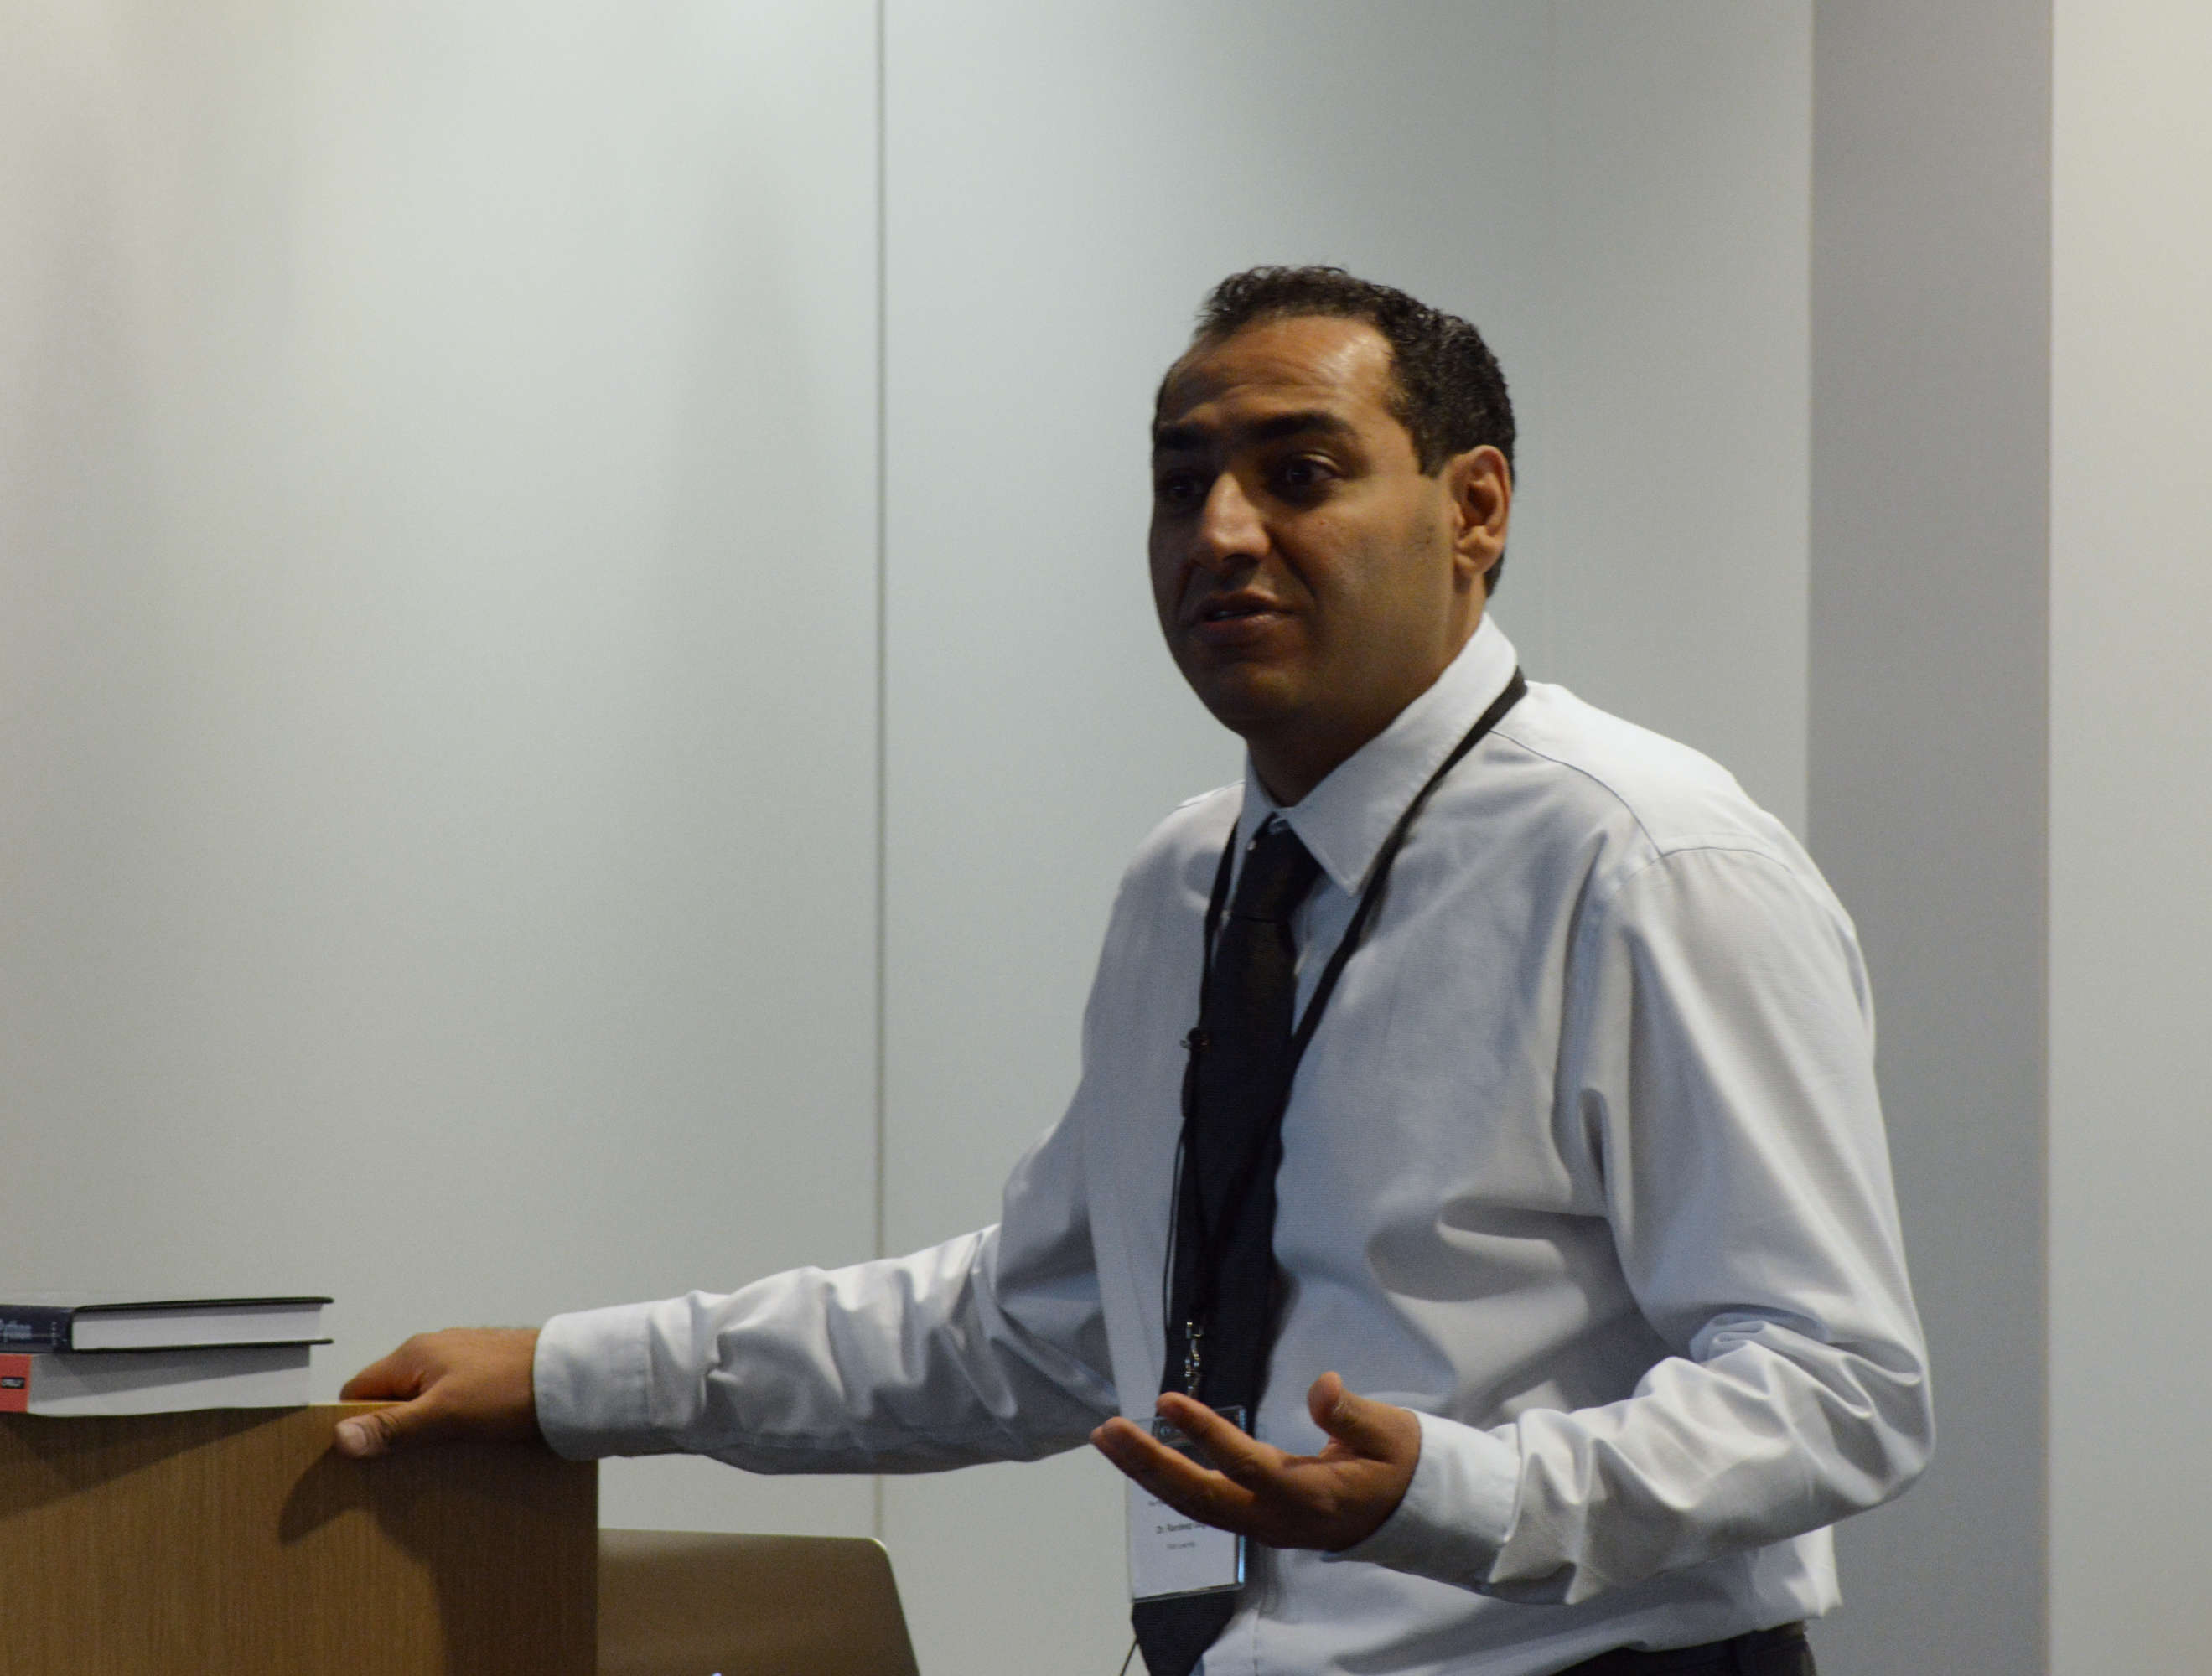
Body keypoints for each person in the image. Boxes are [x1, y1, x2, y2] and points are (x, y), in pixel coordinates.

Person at [335, 266, 1930, 1676]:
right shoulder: (1192, 881)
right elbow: (1039, 1325)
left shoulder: (1647, 861)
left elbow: (1838, 1383)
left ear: (1475, 509)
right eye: (1182, 486)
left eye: (1299, 474)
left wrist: (1460, 1492)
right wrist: (571, 1377)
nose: (1222, 533)